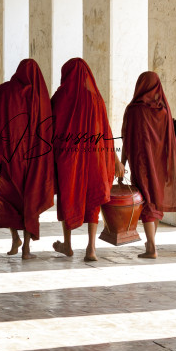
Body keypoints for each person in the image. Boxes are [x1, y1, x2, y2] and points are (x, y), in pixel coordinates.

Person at [50, 57, 124, 262]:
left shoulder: (60, 97)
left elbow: (49, 128)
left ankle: (67, 244)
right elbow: (106, 133)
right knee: (92, 201)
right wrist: (116, 160)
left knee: (68, 196)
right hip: (95, 159)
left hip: (68, 158)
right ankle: (91, 248)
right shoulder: (96, 99)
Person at [0, 58, 55, 259]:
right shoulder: (40, 98)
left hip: (8, 157)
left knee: (9, 199)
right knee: (29, 200)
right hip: (34, 161)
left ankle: (15, 239)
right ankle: (26, 248)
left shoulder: (4, 91)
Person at [121, 71, 176, 259]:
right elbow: (170, 140)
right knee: (156, 198)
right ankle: (151, 241)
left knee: (146, 198)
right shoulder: (163, 110)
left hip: (141, 162)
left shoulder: (133, 110)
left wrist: (122, 163)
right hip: (161, 162)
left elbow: (126, 138)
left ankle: (151, 245)